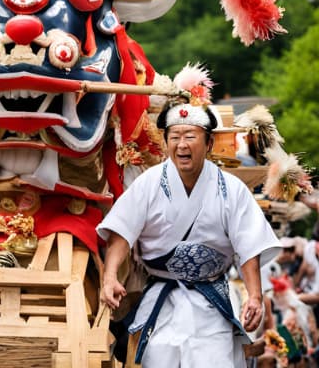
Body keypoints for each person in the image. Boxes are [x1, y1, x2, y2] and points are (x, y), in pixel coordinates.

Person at [98, 100, 280, 367]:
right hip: (162, 299)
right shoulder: (148, 183)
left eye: (190, 137)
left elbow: (249, 244)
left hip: (212, 300)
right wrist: (110, 277)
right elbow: (122, 232)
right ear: (166, 143)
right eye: (175, 137)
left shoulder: (231, 188)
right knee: (157, 358)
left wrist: (254, 295)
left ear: (208, 144)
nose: (182, 144)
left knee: (215, 359)